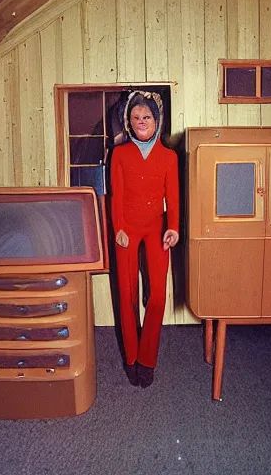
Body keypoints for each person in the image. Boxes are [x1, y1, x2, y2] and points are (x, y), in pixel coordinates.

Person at [110, 90, 180, 388]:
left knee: (158, 294)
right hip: (126, 228)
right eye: (136, 117)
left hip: (156, 228)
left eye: (146, 117)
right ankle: (130, 358)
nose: (141, 121)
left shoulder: (168, 156)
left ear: (156, 121)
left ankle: (147, 359)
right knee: (126, 295)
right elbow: (115, 194)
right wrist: (118, 228)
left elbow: (173, 197)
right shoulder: (120, 153)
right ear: (129, 121)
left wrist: (173, 227)